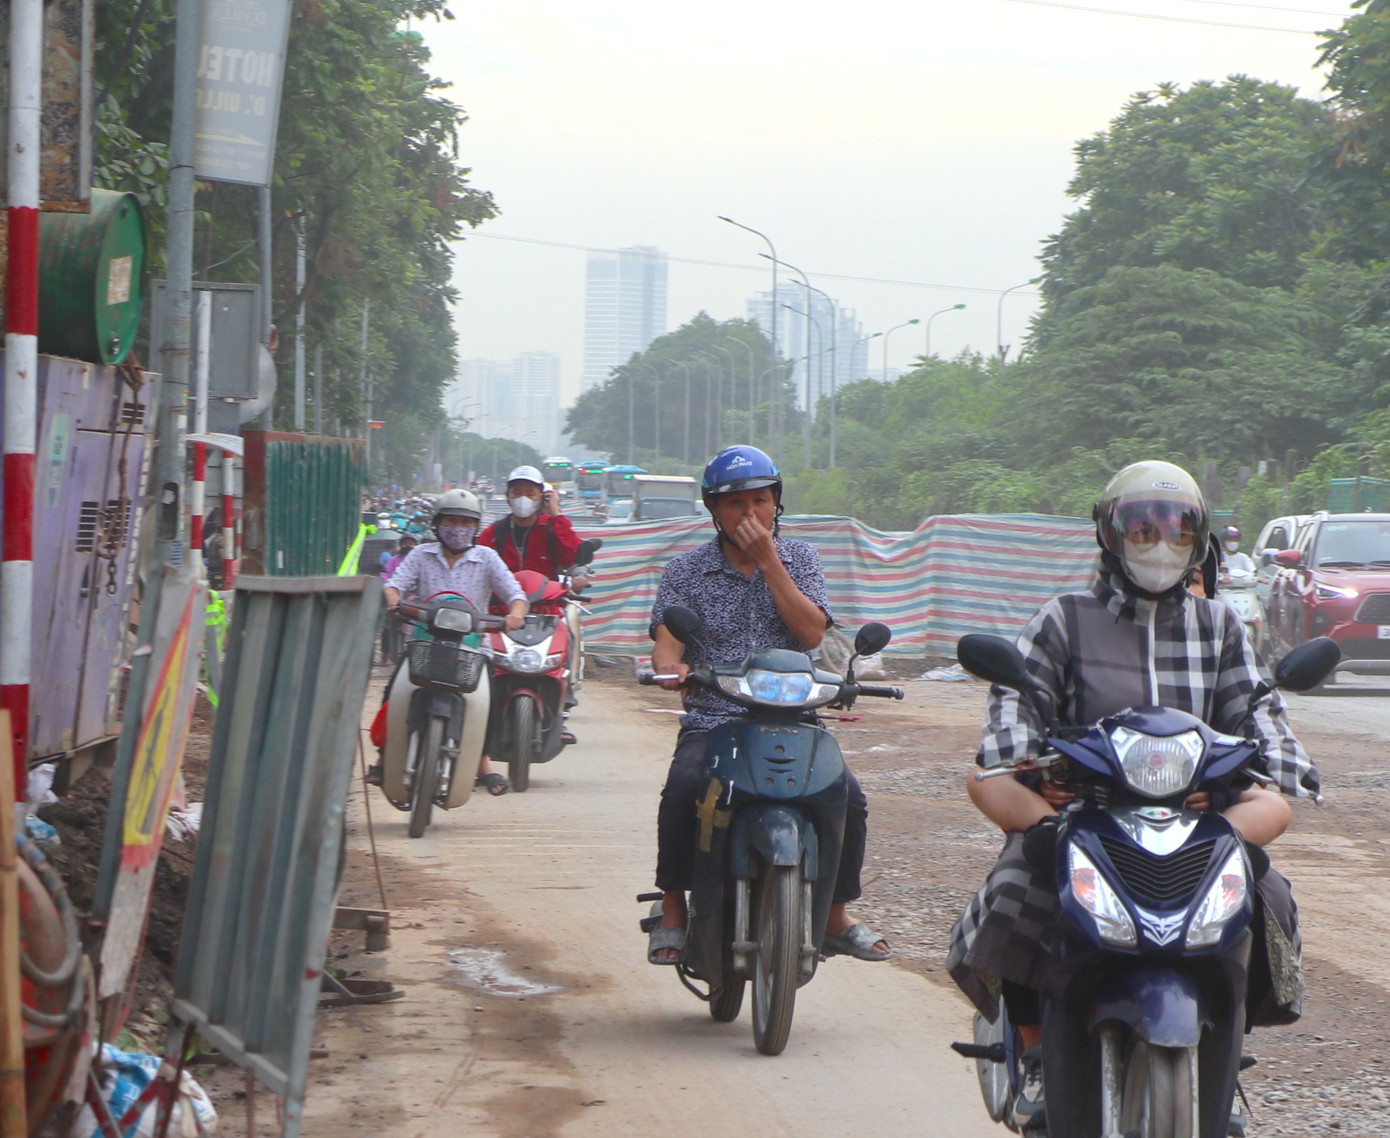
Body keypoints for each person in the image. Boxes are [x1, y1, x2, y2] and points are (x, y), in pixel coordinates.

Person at [945, 461, 1318, 1132]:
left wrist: (1261, 776)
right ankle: (1034, 1049)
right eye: (1143, 528)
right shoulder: (1064, 620)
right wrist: (1032, 779)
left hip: (1198, 825)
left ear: (1199, 540)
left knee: (1267, 895)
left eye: (1178, 530)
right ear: (1109, 535)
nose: (1160, 544)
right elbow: (1011, 721)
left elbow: (1263, 725)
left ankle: (1221, 1044)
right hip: (1082, 820)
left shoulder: (1219, 628)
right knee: (1018, 887)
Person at [646, 445, 890, 966]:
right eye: (736, 503)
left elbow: (810, 633)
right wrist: (670, 668)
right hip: (716, 716)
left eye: (760, 500)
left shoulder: (801, 559)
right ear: (714, 509)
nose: (750, 513)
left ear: (777, 503)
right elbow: (667, 641)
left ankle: (835, 915)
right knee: (683, 787)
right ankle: (672, 908)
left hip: (794, 717)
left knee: (848, 796)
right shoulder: (686, 571)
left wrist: (769, 562)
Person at [374, 488, 528, 796]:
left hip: (473, 648)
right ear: (437, 524)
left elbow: (516, 594)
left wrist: (516, 614)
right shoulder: (421, 555)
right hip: (424, 644)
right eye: (451, 521)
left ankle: (483, 762)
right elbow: (396, 584)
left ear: (476, 527)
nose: (458, 529)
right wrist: (391, 597)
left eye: (466, 522)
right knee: (393, 692)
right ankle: (383, 756)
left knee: (489, 700)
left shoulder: (487, 558)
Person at [478, 466, 591, 743]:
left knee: (568, 635)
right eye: (517, 492)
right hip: (500, 613)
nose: (523, 498)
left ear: (543, 496)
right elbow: (477, 563)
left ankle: (563, 705)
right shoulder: (494, 533)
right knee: (483, 660)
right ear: (508, 496)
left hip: (545, 612)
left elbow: (572, 555)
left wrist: (557, 514)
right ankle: (480, 712)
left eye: (531, 493)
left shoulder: (551, 528)